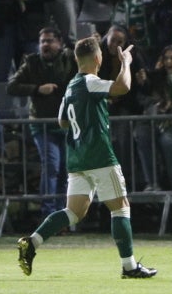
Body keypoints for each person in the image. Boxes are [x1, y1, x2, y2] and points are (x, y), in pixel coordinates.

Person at [15, 35, 157, 279]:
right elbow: (123, 87)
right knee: (120, 208)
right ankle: (129, 266)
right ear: (98, 58)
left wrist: (87, 115)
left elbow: (62, 121)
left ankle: (32, 242)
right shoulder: (91, 81)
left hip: (77, 157)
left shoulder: (71, 86)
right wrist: (126, 63)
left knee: (74, 212)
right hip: (99, 156)